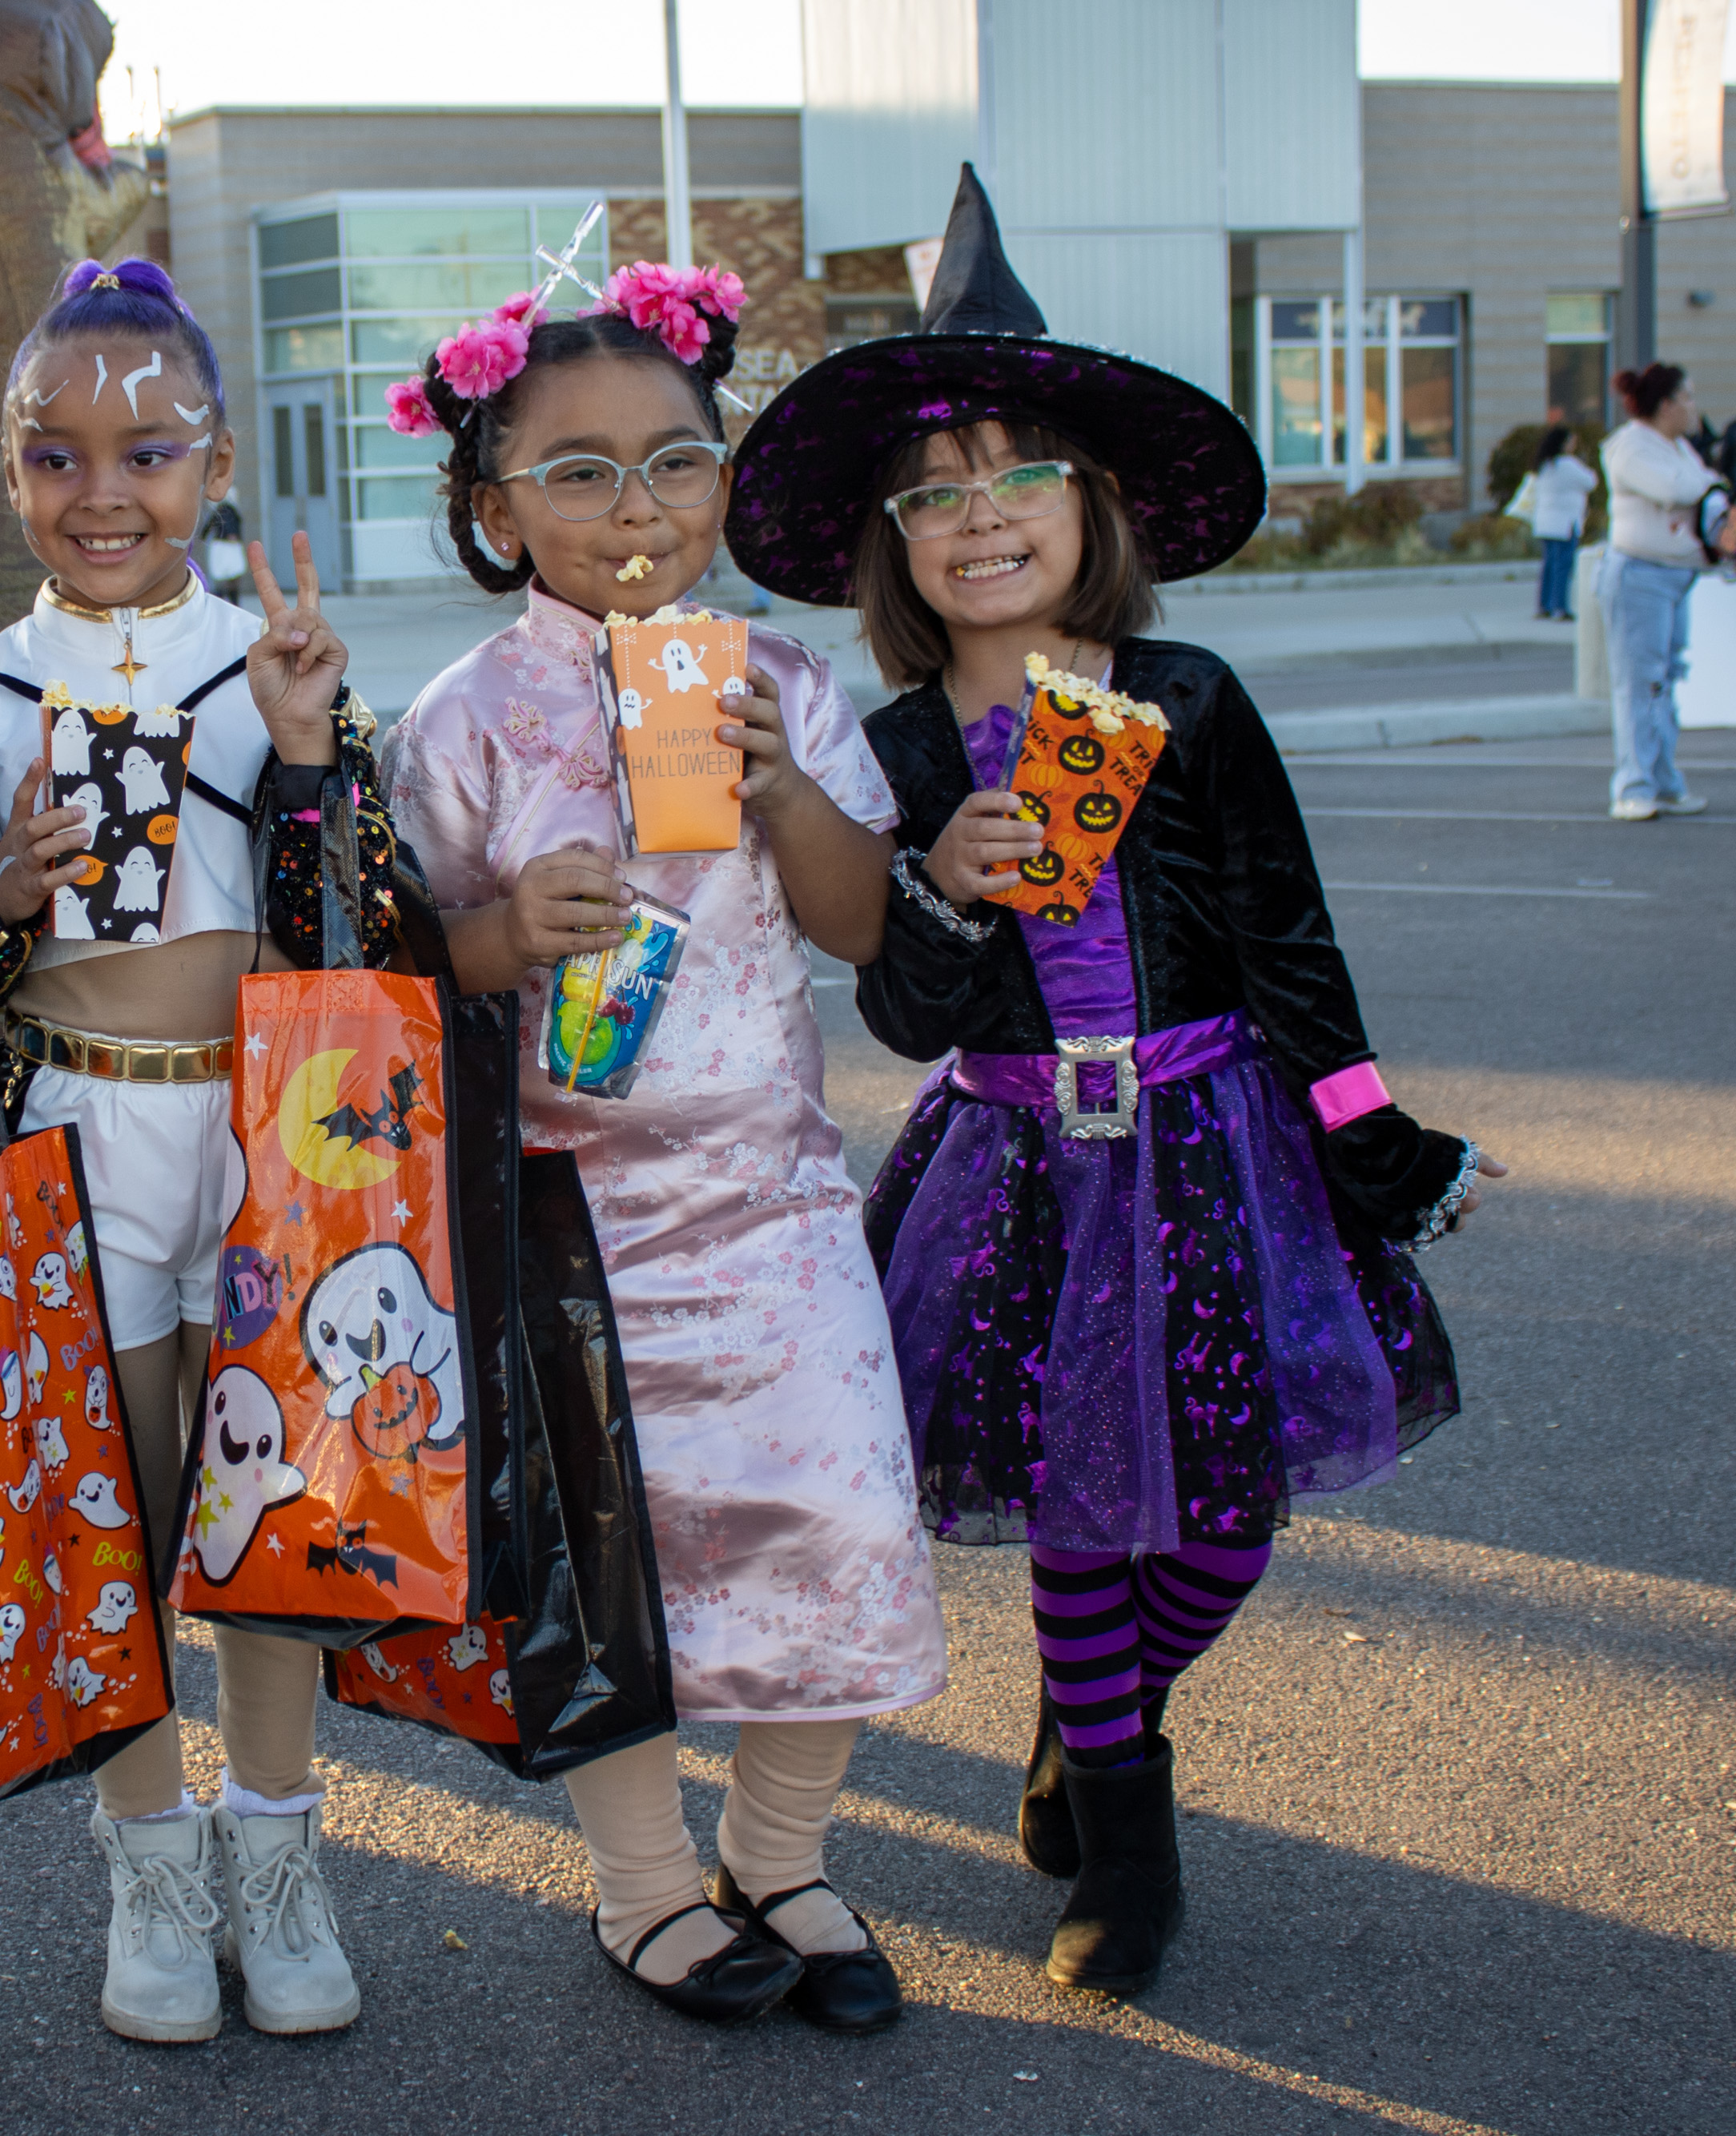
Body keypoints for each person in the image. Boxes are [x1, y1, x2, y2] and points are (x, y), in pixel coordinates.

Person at [725, 167, 1499, 1999]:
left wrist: (1372, 1145)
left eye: (1017, 480)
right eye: (935, 497)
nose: (977, 521)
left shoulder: (1190, 696)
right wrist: (943, 880)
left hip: (1217, 1144)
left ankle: (1088, 1725)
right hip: (1014, 1165)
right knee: (1084, 1502)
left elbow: (1292, 953)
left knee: (1217, 1523)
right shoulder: (896, 741)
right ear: (895, 545)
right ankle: (1127, 1852)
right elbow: (904, 1014)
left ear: (1089, 504)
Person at [382, 260, 943, 2034]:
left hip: (772, 1198)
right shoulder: (460, 717)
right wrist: (491, 937)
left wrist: (782, 787)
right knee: (604, 1563)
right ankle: (639, 1887)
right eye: (577, 472)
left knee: (831, 1519)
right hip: (563, 1214)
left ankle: (780, 1852)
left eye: (675, 462)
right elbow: (387, 991)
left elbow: (866, 930)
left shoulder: (782, 676)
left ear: (723, 475)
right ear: (492, 503)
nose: (635, 509)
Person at [0, 257, 402, 2048]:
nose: (102, 490)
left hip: (264, 1126)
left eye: (146, 450)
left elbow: (363, 927)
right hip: (77, 1123)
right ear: (7, 473)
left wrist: (304, 761)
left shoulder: (278, 660)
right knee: (116, 1514)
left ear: (214, 467)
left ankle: (279, 1860)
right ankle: (149, 1861)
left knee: (264, 1501)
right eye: (53, 455)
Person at [1600, 364, 1736, 822]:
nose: (1693, 407)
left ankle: (1663, 782)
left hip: (1675, 576)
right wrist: (1715, 488)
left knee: (1665, 681)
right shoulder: (1630, 446)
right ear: (1664, 405)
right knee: (1640, 685)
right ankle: (1634, 785)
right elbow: (1676, 488)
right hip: (1639, 576)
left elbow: (1710, 493)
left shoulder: (1678, 446)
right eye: (1687, 398)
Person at [1516, 424, 1597, 621]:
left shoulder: (1543, 465)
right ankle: (1560, 607)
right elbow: (1591, 481)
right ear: (1563, 443)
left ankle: (1544, 605)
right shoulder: (1568, 464)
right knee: (1563, 566)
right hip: (1565, 523)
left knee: (1549, 565)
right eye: (1571, 441)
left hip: (1545, 522)